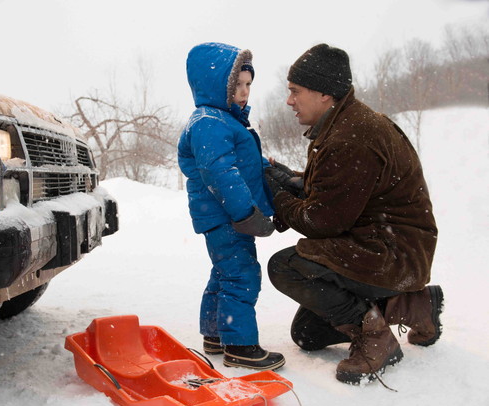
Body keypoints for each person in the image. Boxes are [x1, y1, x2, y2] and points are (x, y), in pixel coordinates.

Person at [264, 43, 443, 385]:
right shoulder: (345, 124)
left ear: (324, 94)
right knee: (308, 334)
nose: (289, 101)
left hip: (393, 251)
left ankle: (375, 339)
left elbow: (323, 222)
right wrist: (291, 180)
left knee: (286, 267)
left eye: (295, 92)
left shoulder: (352, 137)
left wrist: (278, 197)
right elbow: (339, 190)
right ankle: (414, 305)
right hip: (378, 245)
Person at [178, 42, 285, 371]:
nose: (244, 92)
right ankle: (240, 345)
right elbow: (220, 173)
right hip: (228, 217)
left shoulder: (224, 121)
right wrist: (246, 214)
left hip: (224, 217)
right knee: (242, 275)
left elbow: (243, 166)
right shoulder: (211, 122)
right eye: (236, 85)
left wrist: (275, 174)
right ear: (214, 86)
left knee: (225, 272)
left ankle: (215, 334)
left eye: (248, 84)